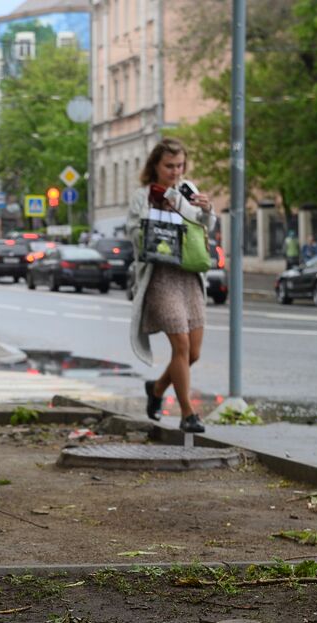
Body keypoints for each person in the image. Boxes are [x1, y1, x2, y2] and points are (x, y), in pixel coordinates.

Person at [127, 137, 217, 434]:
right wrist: (157, 209)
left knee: (193, 353)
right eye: (169, 166)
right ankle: (188, 414)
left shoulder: (187, 190)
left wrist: (206, 210)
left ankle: (156, 389)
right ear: (155, 165)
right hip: (161, 277)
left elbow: (204, 227)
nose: (176, 172)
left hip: (189, 277)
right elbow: (135, 234)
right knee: (181, 345)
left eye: (180, 166)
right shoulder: (143, 195)